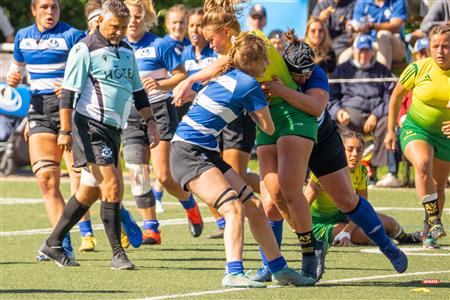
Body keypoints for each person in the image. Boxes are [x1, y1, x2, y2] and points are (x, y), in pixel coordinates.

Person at [173, 0, 325, 282]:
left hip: (203, 151)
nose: (271, 61)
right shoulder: (246, 81)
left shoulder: (244, 54)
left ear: (229, 34)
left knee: (254, 207)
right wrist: (255, 108)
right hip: (189, 153)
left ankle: (278, 268)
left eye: (212, 38)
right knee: (233, 207)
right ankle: (233, 272)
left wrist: (192, 82)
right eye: (267, 59)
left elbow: (220, 69)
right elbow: (265, 124)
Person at [252, 29, 407, 282]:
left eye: (306, 74)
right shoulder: (274, 67)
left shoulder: (316, 75)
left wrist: (281, 90)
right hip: (282, 132)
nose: (302, 79)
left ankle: (387, 246)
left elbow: (315, 107)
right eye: (297, 74)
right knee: (272, 200)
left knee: (347, 200)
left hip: (322, 139)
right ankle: (272, 262)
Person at [39, 0, 159, 269]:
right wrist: (65, 131)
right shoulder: (85, 48)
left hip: (115, 129)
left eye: (124, 27)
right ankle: (118, 253)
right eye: (115, 26)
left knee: (89, 192)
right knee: (113, 187)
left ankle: (53, 242)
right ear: (100, 22)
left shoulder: (127, 50)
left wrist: (150, 121)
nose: (120, 32)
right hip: (90, 126)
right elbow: (68, 94)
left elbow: (138, 91)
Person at [6, 0, 85, 260]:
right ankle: (62, 243)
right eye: (44, 7)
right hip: (38, 109)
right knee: (47, 180)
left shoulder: (73, 36)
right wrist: (13, 79)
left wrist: (73, 86)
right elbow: (15, 71)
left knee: (85, 181)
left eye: (54, 7)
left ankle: (121, 220)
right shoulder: (22, 37)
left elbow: (90, 71)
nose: (50, 12)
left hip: (69, 111)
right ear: (34, 10)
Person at [124, 0, 204, 240]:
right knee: (137, 172)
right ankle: (151, 227)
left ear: (145, 18)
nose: (133, 20)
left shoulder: (159, 45)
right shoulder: (118, 46)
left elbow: (181, 75)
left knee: (164, 176)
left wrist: (160, 84)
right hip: (129, 112)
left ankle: (189, 203)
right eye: (129, 16)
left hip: (159, 109)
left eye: (138, 16)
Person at [384, 24, 450, 249]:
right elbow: (395, 97)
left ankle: (428, 232)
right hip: (416, 129)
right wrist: (390, 129)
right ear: (429, 48)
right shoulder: (417, 68)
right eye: (435, 46)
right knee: (422, 164)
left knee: (438, 185)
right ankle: (434, 221)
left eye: (446, 46)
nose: (440, 51)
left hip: (446, 138)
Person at [306, 131, 422, 246]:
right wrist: (304, 232)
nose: (355, 154)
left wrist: (347, 231)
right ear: (340, 150)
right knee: (365, 236)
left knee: (390, 224)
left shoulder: (361, 171)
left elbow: (361, 209)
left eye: (359, 150)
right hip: (319, 224)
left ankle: (406, 238)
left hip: (344, 216)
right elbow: (303, 203)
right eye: (350, 149)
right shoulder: (325, 169)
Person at [180, 7, 222, 239]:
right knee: (202, 170)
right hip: (191, 120)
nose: (195, 30)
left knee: (224, 170)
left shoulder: (214, 52)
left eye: (199, 25)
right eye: (191, 25)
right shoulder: (184, 53)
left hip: (215, 119)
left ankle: (266, 199)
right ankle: (222, 219)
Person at [329, 34, 394, 182]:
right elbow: (331, 97)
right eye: (360, 50)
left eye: (367, 50)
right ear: (354, 51)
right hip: (348, 115)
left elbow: (390, 97)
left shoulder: (382, 70)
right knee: (339, 126)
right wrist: (338, 111)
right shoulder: (342, 69)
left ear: (372, 52)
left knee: (387, 122)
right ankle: (344, 170)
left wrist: (376, 115)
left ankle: (374, 170)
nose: (364, 54)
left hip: (375, 114)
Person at [376, 37, 430, 188]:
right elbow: (400, 101)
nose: (424, 57)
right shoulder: (410, 74)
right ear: (415, 56)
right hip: (410, 124)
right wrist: (400, 119)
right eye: (421, 53)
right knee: (394, 133)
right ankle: (392, 174)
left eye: (427, 53)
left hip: (433, 124)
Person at [339, 0, 407, 69]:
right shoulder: (363, 2)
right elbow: (356, 25)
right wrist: (353, 27)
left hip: (395, 46)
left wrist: (372, 26)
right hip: (370, 44)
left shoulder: (398, 1)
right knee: (344, 57)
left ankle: (382, 77)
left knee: (382, 35)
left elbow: (396, 26)